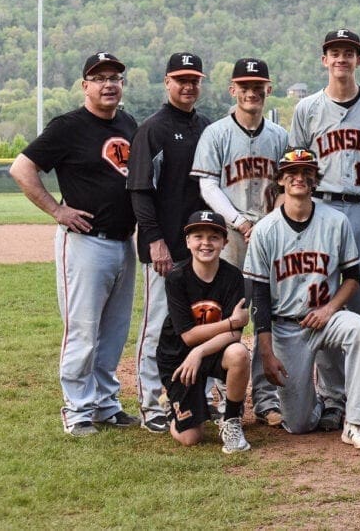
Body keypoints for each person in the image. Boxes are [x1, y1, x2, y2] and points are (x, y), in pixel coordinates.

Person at [10, 52, 139, 436]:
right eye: (99, 77)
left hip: (123, 241)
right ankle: (78, 409)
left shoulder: (129, 123)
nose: (109, 84)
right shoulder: (68, 126)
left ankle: (105, 404)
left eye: (115, 76)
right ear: (85, 86)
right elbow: (22, 168)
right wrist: (57, 210)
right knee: (83, 329)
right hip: (84, 242)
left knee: (114, 331)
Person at [244, 149, 360, 447]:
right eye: (291, 173)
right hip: (287, 327)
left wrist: (330, 309)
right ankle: (318, 405)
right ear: (281, 180)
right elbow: (259, 297)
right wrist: (266, 352)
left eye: (306, 173)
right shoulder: (265, 230)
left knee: (359, 329)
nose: (299, 178)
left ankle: (355, 421)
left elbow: (352, 277)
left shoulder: (336, 221)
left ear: (315, 180)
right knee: (299, 424)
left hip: (326, 318)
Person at [190, 57, 288, 427]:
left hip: (267, 238)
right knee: (225, 315)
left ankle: (266, 397)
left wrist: (270, 224)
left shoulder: (278, 136)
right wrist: (237, 221)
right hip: (229, 237)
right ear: (233, 90)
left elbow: (284, 185)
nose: (251, 92)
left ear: (268, 89)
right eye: (244, 86)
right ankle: (217, 393)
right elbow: (207, 184)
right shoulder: (216, 133)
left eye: (257, 86)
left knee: (268, 314)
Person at [127, 52, 212, 433]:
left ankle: (198, 397)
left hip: (201, 248)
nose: (188, 86)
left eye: (193, 79)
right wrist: (155, 240)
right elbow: (140, 190)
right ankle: (150, 404)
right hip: (166, 248)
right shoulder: (153, 128)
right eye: (180, 79)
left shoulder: (207, 127)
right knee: (158, 326)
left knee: (203, 321)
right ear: (166, 82)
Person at [288, 29, 360, 321]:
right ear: (324, 60)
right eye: (335, 53)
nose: (341, 59)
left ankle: (359, 362)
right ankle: (324, 367)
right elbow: (296, 164)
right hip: (321, 205)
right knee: (320, 286)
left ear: (358, 59)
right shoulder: (307, 108)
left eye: (348, 53)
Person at [158, 210, 252, 453]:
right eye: (198, 236)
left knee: (239, 353)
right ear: (188, 241)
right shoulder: (177, 277)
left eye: (214, 237)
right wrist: (230, 322)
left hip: (208, 352)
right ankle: (172, 404)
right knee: (191, 437)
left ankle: (231, 421)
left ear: (225, 242)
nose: (205, 243)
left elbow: (236, 335)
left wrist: (199, 352)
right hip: (178, 356)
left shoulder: (232, 276)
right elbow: (188, 335)